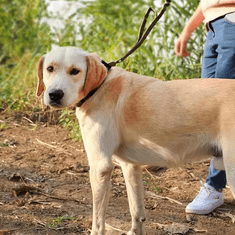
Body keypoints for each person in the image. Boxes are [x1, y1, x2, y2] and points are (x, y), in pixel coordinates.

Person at [175, 0, 235, 214]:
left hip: (232, 24)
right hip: (213, 27)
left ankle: (214, 186)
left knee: (223, 114)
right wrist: (187, 30)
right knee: (208, 109)